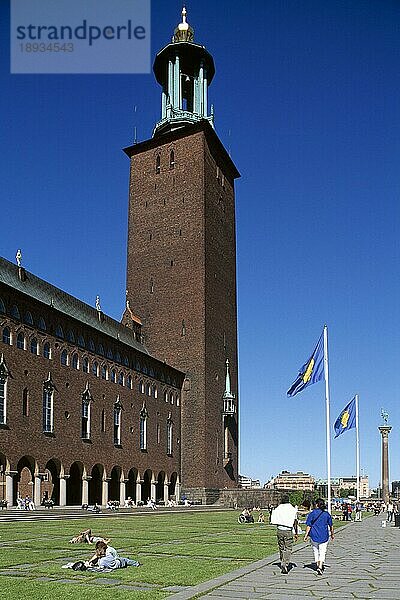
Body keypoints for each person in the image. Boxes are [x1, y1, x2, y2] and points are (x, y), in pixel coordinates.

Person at [304, 498, 334, 575]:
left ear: (316, 504)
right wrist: (332, 534)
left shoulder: (312, 513)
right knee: (323, 551)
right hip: (324, 535)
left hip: (314, 535)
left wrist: (306, 535)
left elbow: (309, 525)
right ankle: (320, 566)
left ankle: (318, 564)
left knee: (316, 550)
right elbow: (331, 525)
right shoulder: (326, 514)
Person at [270, 494, 299, 574]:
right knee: (288, 548)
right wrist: (296, 532)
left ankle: (282, 560)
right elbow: (295, 522)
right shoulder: (292, 509)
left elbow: (273, 518)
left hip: (279, 530)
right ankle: (285, 563)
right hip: (288, 530)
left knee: (281, 547)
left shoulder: (278, 508)